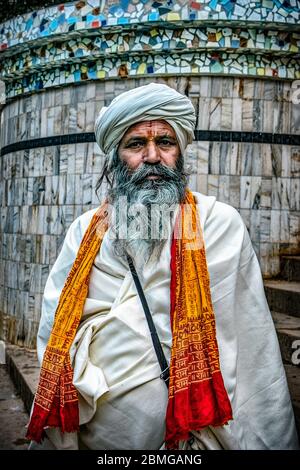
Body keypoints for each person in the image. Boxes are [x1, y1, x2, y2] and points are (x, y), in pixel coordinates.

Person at [27, 83, 298, 450]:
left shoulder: (219, 225)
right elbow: (53, 328)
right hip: (96, 438)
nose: (152, 156)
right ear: (115, 157)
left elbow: (253, 345)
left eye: (165, 143)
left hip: (197, 438)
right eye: (136, 144)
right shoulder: (83, 233)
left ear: (179, 152)